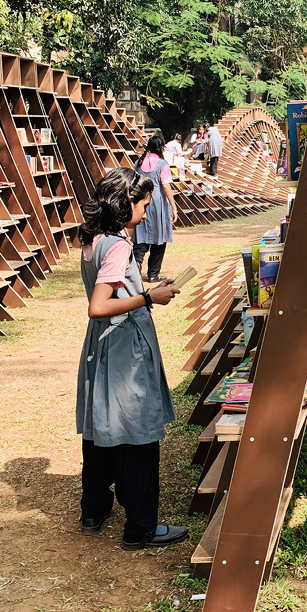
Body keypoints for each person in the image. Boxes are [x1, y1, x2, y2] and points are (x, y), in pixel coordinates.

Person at [77, 168, 188, 550]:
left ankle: (93, 509)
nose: (145, 211)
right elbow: (99, 305)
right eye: (143, 204)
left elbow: (110, 287)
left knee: (101, 424)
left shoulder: (94, 238)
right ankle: (140, 527)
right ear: (126, 203)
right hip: (124, 345)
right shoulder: (119, 246)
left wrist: (146, 287)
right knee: (138, 433)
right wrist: (148, 298)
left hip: (101, 345)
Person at [133, 135, 179, 282]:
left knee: (140, 237)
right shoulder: (162, 164)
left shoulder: (138, 163)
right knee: (160, 237)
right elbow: (165, 186)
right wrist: (174, 207)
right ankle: (153, 274)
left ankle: (135, 269)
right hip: (158, 204)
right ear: (162, 148)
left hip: (141, 203)